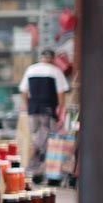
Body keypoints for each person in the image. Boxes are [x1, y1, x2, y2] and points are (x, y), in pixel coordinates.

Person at [19, 48, 71, 181]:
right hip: (48, 110)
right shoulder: (55, 71)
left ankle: (36, 172)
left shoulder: (30, 70)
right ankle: (38, 172)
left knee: (36, 139)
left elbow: (24, 91)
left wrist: (27, 105)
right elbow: (61, 93)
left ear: (41, 57)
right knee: (46, 142)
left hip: (33, 111)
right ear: (53, 59)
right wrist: (61, 110)